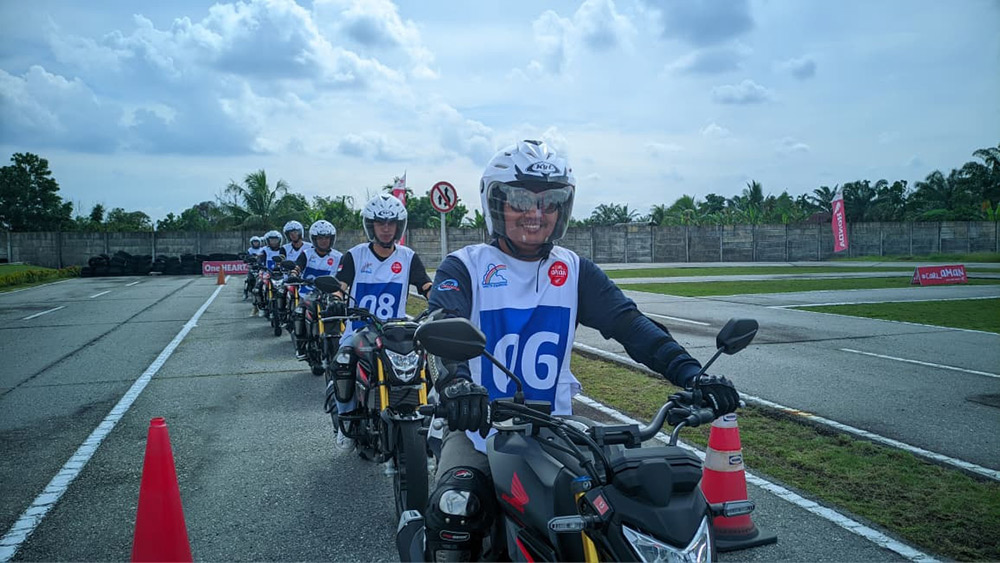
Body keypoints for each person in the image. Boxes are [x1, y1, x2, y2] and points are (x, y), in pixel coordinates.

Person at [421, 140, 741, 561]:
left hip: (555, 430)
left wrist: (690, 373)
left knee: (607, 515)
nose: (535, 213)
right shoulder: (464, 265)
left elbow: (630, 324)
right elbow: (440, 323)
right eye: (520, 199)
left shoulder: (574, 270)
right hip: (479, 429)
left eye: (550, 201)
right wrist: (457, 384)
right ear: (495, 203)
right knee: (456, 510)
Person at [327, 193, 433, 449]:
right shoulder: (354, 255)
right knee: (342, 362)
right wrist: (336, 297)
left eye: (391, 223)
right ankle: (347, 420)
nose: (386, 229)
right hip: (359, 328)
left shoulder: (408, 256)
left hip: (396, 330)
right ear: (370, 225)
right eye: (380, 223)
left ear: (399, 226)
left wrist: (440, 298)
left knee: (431, 363)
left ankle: (432, 418)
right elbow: (340, 285)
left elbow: (425, 284)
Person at [292, 220, 343, 362]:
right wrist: (294, 274)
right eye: (320, 238)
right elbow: (298, 266)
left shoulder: (338, 257)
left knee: (343, 312)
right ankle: (300, 345)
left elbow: (342, 275)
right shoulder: (306, 254)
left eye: (327, 238)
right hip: (308, 293)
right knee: (298, 312)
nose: (324, 241)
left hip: (330, 294)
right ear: (314, 239)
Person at [252, 230, 286, 317]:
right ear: (268, 241)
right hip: (267, 273)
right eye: (271, 240)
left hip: (280, 274)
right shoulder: (264, 250)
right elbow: (259, 257)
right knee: (257, 288)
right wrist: (258, 262)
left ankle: (285, 308)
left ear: (280, 240)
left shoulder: (283, 249)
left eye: (275, 240)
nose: (273, 242)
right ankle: (261, 306)